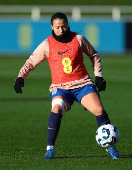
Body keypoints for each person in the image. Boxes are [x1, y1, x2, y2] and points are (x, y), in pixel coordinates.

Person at [14, 12, 119, 159]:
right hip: (60, 87)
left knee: (99, 109)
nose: (61, 30)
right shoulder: (47, 44)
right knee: (56, 108)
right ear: (52, 27)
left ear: (68, 24)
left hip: (82, 84)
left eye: (63, 26)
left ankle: (110, 146)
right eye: (57, 27)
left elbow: (94, 55)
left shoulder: (78, 39)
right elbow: (30, 62)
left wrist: (99, 76)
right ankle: (50, 149)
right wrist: (20, 77)